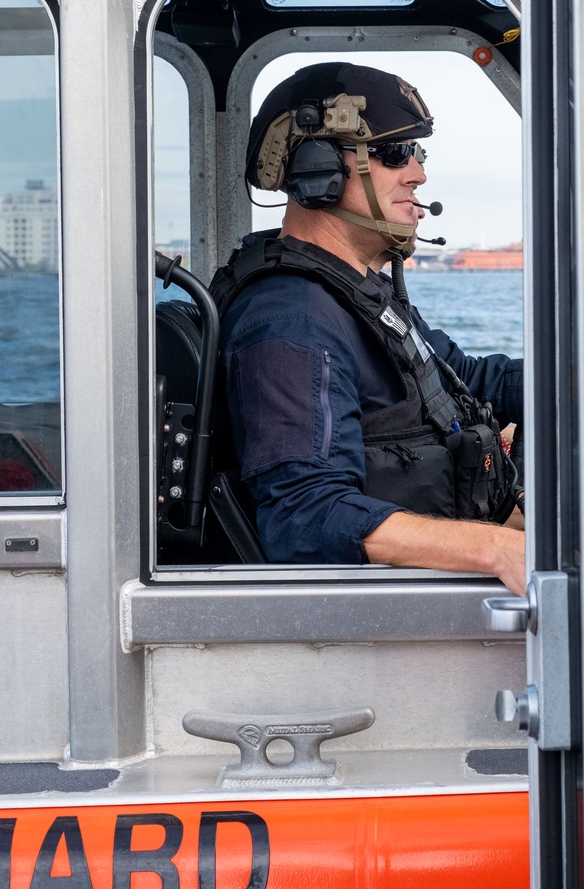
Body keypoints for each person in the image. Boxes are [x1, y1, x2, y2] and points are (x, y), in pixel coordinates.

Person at [212, 61, 526, 595]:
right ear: (319, 167)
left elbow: (468, 379)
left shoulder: (359, 292)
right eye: (394, 153)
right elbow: (306, 516)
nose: (418, 174)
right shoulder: (292, 319)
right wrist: (499, 547)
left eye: (417, 154)